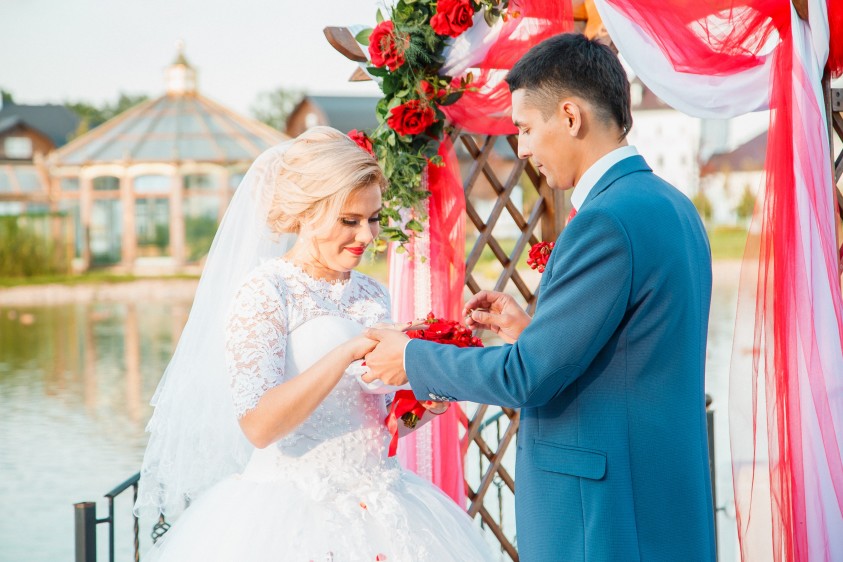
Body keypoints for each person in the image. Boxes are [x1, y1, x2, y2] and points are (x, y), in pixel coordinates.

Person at [363, 33, 716, 561]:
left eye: (526, 128)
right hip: (659, 499)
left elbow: (525, 378)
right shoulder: (674, 206)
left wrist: (412, 358)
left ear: (570, 117)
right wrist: (532, 331)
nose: (522, 149)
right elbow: (635, 358)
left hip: (603, 517)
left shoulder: (605, 220)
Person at [134, 127, 491, 561]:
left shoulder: (372, 293)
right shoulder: (267, 291)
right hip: (293, 510)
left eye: (374, 218)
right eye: (350, 221)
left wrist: (425, 405)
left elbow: (382, 420)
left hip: (382, 502)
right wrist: (344, 352)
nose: (367, 236)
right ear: (307, 215)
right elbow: (259, 427)